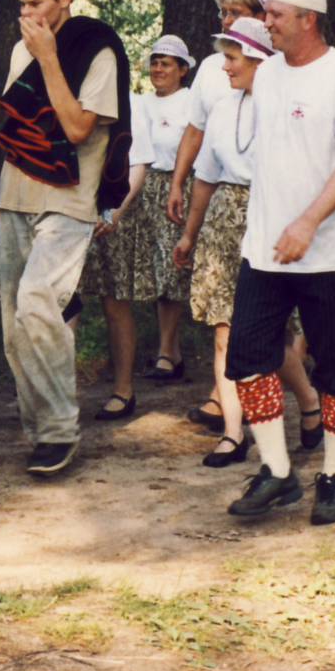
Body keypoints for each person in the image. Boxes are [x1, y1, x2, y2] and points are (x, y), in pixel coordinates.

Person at [223, 0, 335, 526]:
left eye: (277, 14)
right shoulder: (268, 78)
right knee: (246, 358)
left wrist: (309, 222)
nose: (268, 22)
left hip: (330, 252)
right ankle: (279, 471)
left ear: (309, 19)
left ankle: (334, 476)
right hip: (265, 250)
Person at [0, 0, 128, 477]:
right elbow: (19, 129)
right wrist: (1, 204)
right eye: (22, 6)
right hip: (18, 197)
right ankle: (41, 430)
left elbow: (75, 129)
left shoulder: (96, 49)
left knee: (38, 303)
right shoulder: (19, 50)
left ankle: (59, 430)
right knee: (12, 323)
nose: (29, 16)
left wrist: (47, 56)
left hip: (69, 198)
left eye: (38, 4)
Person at [172, 18, 316, 467]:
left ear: (256, 59)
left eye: (232, 59)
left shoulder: (287, 105)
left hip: (272, 218)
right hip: (223, 222)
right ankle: (236, 433)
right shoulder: (220, 108)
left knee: (273, 332)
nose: (225, 68)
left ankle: (309, 402)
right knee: (224, 331)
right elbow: (206, 177)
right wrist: (189, 235)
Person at [165, 0, 270, 431]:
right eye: (224, 12)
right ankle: (229, 413)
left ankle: (299, 399)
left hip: (267, 208)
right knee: (224, 319)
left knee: (264, 321)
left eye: (238, 13)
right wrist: (178, 185)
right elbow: (197, 133)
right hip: (224, 203)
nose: (228, 19)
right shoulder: (212, 73)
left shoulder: (281, 80)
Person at [85, 33, 194, 420]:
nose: (159, 68)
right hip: (132, 195)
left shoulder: (189, 103)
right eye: (154, 61)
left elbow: (147, 156)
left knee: (169, 270)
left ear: (183, 70)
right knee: (141, 275)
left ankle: (168, 349)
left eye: (168, 63)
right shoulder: (138, 101)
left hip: (171, 186)